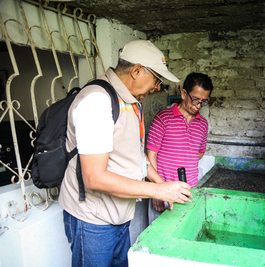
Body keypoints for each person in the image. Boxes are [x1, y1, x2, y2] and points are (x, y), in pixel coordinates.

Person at [58, 40, 192, 267]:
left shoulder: (131, 102)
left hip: (119, 215)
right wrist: (157, 190)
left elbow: (136, 156)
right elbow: (94, 177)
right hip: (93, 220)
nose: (158, 87)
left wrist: (162, 186)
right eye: (157, 79)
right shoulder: (97, 101)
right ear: (137, 70)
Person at [146, 72, 213, 218]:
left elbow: (199, 153)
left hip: (190, 191)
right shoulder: (163, 118)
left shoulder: (202, 124)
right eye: (195, 100)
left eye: (203, 101)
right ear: (184, 94)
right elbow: (151, 155)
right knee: (159, 236)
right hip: (164, 191)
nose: (198, 106)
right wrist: (157, 191)